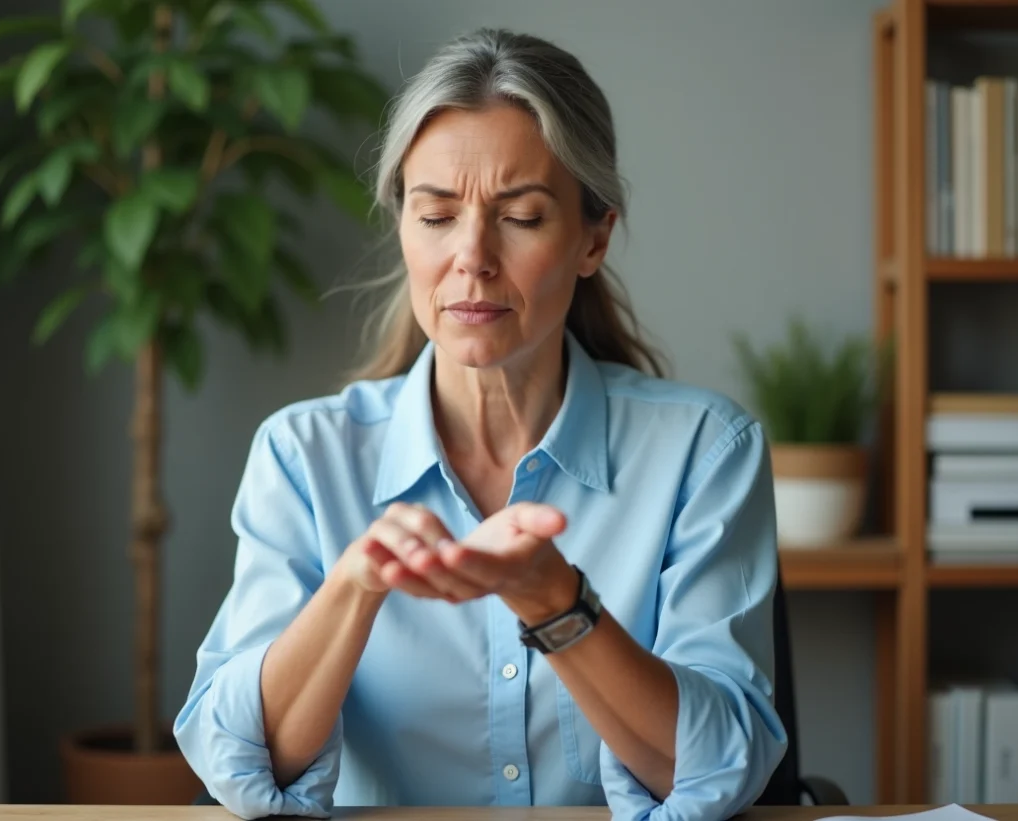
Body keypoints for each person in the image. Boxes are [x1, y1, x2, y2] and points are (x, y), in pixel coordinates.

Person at [174, 27, 787, 821]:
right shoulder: (302, 455)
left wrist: (558, 606)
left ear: (593, 237)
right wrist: (356, 587)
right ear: (404, 229)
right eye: (435, 216)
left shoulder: (706, 452)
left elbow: (720, 769)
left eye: (522, 217)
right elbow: (239, 764)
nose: (472, 256)